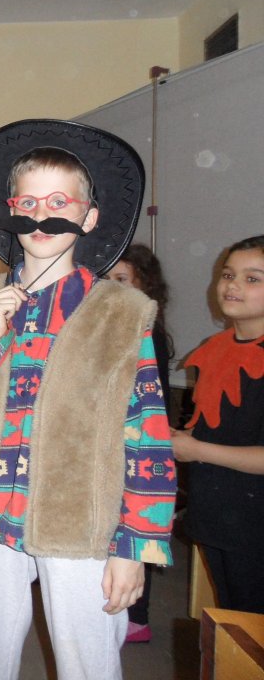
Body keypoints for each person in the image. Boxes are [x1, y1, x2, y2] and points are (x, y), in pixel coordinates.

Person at [0, 120, 176, 680]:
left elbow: (149, 439)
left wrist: (134, 546)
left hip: (81, 523)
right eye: (29, 203)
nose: (42, 216)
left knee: (88, 664)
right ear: (11, 211)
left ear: (88, 217)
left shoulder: (122, 313)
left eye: (60, 202)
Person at [172, 234, 264, 615]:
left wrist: (196, 449)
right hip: (217, 515)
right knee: (231, 622)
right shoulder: (215, 349)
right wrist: (181, 437)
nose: (232, 285)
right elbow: (218, 427)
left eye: (252, 278)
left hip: (255, 525)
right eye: (228, 275)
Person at [106, 243, 173, 643]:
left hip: (134, 446)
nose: (112, 287)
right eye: (106, 279)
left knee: (133, 529)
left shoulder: (147, 331)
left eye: (122, 279)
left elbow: (150, 400)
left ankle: (137, 614)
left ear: (145, 286)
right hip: (112, 444)